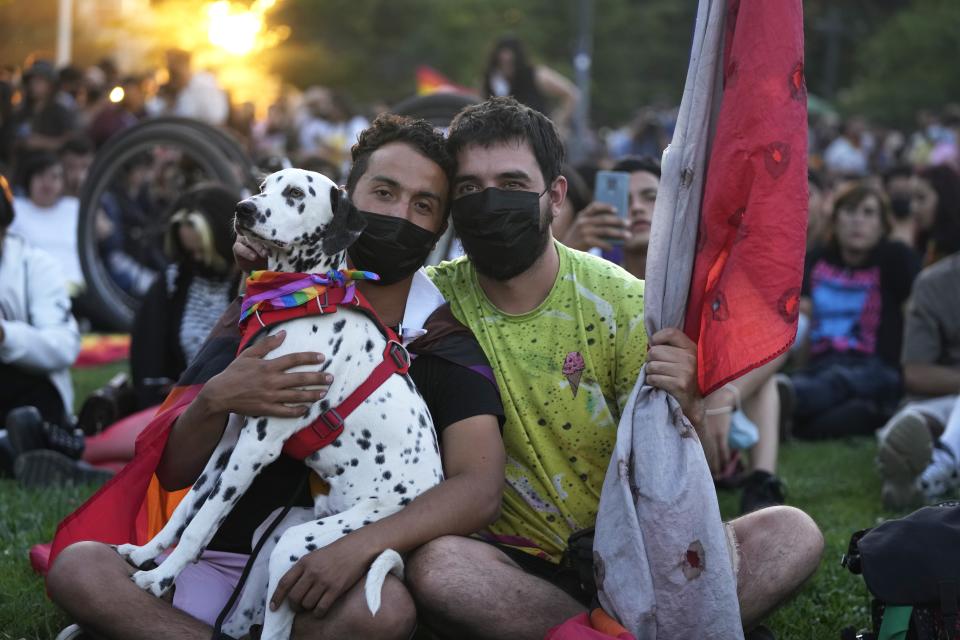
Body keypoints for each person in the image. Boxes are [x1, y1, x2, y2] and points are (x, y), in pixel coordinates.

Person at [46, 114, 506, 640]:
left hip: (319, 577)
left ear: (440, 227)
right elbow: (172, 470)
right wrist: (215, 399)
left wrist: (357, 546)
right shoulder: (269, 303)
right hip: (211, 553)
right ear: (345, 197)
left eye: (423, 205)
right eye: (383, 191)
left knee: (382, 612)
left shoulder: (441, 338)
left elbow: (478, 490)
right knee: (79, 566)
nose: (399, 214)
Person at [403, 97, 822, 638]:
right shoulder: (428, 306)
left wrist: (690, 403)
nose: (489, 202)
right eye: (469, 189)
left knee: (792, 534)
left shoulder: (623, 303)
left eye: (510, 183)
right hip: (517, 568)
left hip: (640, 557)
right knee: (441, 568)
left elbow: (682, 474)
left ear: (555, 196)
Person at [557, 155, 785, 514]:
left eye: (650, 196)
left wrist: (726, 395)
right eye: (625, 199)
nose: (637, 209)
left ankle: (762, 482)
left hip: (697, 397)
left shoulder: (702, 268)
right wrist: (569, 247)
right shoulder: (586, 270)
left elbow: (773, 340)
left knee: (761, 375)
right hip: (617, 405)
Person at [782, 184, 921, 439]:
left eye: (869, 213)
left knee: (838, 384)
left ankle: (787, 407)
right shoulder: (816, 260)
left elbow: (915, 313)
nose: (858, 220)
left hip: (875, 368)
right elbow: (808, 319)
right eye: (849, 211)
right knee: (848, 411)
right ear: (834, 221)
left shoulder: (895, 258)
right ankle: (793, 418)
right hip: (821, 367)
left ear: (883, 225)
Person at [875, 200, 960, 508]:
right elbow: (916, 372)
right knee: (908, 425)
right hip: (941, 398)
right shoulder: (933, 284)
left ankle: (930, 473)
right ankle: (918, 465)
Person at [130, 184, 242, 409]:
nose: (197, 259)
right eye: (191, 252)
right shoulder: (173, 284)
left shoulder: (251, 283)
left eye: (203, 251)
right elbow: (147, 364)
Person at [0, 173, 81, 471]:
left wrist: (4, 336)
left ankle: (31, 444)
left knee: (28, 409)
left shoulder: (36, 266)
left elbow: (64, 346)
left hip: (30, 392)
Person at [10, 151, 83, 292]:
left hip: (78, 290)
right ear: (29, 179)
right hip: (33, 291)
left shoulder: (74, 207)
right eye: (40, 175)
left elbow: (107, 234)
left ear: (63, 182)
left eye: (54, 177)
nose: (47, 182)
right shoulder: (14, 209)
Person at [482, 36, 580, 133]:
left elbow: (571, 93)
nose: (506, 67)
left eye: (510, 62)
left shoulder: (537, 75)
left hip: (535, 136)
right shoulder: (492, 80)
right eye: (501, 63)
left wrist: (558, 122)